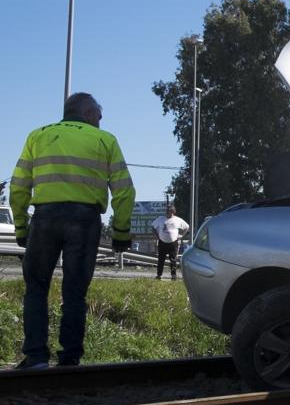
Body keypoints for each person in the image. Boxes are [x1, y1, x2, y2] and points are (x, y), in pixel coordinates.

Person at [9, 93, 135, 369]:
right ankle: (69, 359)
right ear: (87, 113)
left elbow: (18, 186)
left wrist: (21, 226)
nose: (100, 121)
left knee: (36, 288)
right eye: (99, 116)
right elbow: (124, 191)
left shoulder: (38, 136)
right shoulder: (105, 140)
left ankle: (36, 357)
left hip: (45, 218)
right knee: (75, 291)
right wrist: (121, 232)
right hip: (85, 220)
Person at [151, 205, 190, 280]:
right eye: (166, 210)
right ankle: (159, 275)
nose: (167, 212)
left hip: (173, 243)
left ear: (173, 211)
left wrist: (181, 235)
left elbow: (187, 227)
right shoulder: (160, 219)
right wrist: (157, 236)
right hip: (162, 242)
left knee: (173, 260)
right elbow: (153, 226)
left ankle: (173, 276)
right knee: (161, 260)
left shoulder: (178, 219)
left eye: (169, 211)